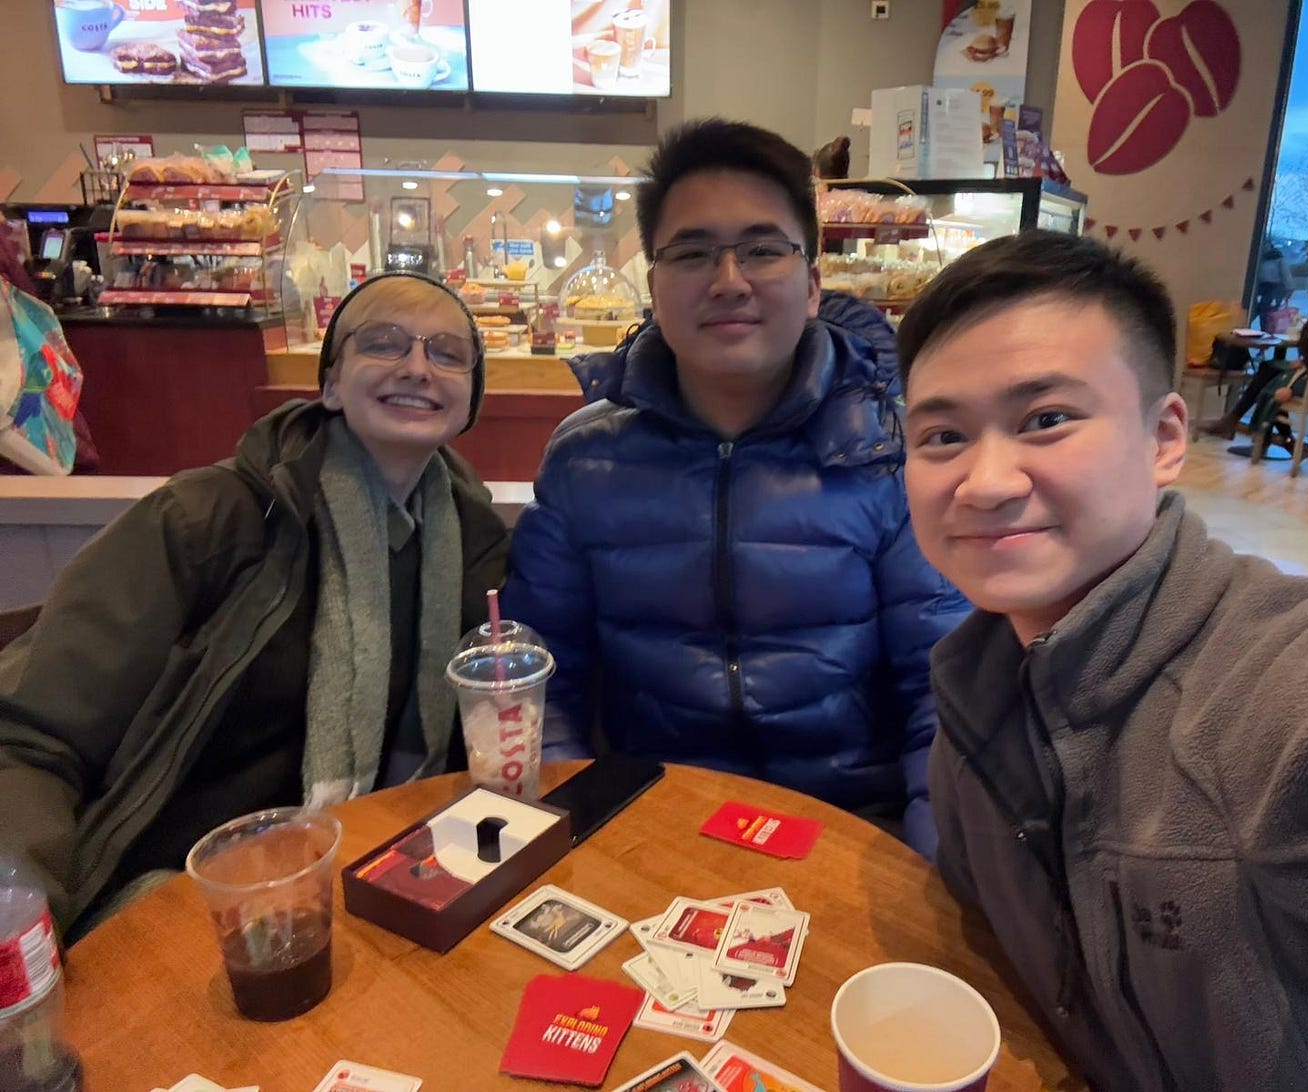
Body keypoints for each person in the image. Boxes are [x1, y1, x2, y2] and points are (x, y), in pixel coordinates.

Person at [898, 230, 1308, 1089]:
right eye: (941, 437)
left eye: (1045, 420)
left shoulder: (1292, 681)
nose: (985, 482)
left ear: (1164, 439)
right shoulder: (979, 686)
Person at [501, 118, 966, 857]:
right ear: (653, 286)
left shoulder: (890, 453)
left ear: (813, 283)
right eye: (691, 252)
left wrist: (933, 885)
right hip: (649, 826)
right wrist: (568, 839)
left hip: (851, 835)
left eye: (761, 249)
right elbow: (541, 679)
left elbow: (941, 699)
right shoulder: (584, 460)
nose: (728, 280)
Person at [0, 271, 511, 936]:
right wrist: (22, 928)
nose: (417, 368)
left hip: (370, 882)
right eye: (384, 344)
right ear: (329, 384)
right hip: (167, 895)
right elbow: (30, 736)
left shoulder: (474, 544)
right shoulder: (205, 523)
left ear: (469, 398)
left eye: (447, 354)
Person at [1200, 269, 1308, 441]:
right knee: (1272, 372)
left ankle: (1244, 426)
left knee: (1268, 371)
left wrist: (1305, 362)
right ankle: (1280, 438)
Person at [1253, 240, 1292, 331]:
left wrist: (1289, 288)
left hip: (1275, 288)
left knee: (1270, 311)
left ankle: (1271, 331)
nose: (1264, 248)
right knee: (1261, 311)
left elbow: (1285, 274)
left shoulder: (1278, 258)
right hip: (1260, 287)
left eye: (1266, 245)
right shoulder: (1259, 258)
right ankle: (1264, 330)